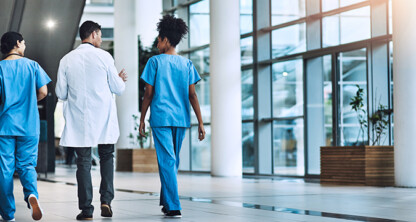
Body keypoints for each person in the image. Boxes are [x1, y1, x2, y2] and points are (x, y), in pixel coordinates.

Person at [55, 21, 127, 220]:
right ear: (94, 34)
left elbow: (60, 92)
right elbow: (118, 88)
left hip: (80, 119)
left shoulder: (67, 59)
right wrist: (119, 79)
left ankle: (86, 210)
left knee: (83, 163)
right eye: (101, 35)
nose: (101, 39)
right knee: (106, 157)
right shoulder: (104, 57)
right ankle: (106, 200)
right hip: (104, 118)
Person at [139, 15, 206, 218]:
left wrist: (142, 118)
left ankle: (174, 205)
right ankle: (167, 202)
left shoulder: (154, 62)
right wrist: (200, 123)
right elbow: (192, 95)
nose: (157, 44)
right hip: (181, 119)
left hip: (161, 118)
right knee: (172, 162)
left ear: (166, 40)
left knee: (168, 161)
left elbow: (148, 93)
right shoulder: (186, 64)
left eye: (159, 40)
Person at [0, 31, 51, 221]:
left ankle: (8, 215)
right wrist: (29, 101)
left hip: (4, 125)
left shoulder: (0, 68)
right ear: (17, 43)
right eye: (24, 43)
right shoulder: (33, 66)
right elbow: (44, 91)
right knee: (27, 165)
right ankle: (31, 196)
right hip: (29, 125)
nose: (25, 46)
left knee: (4, 169)